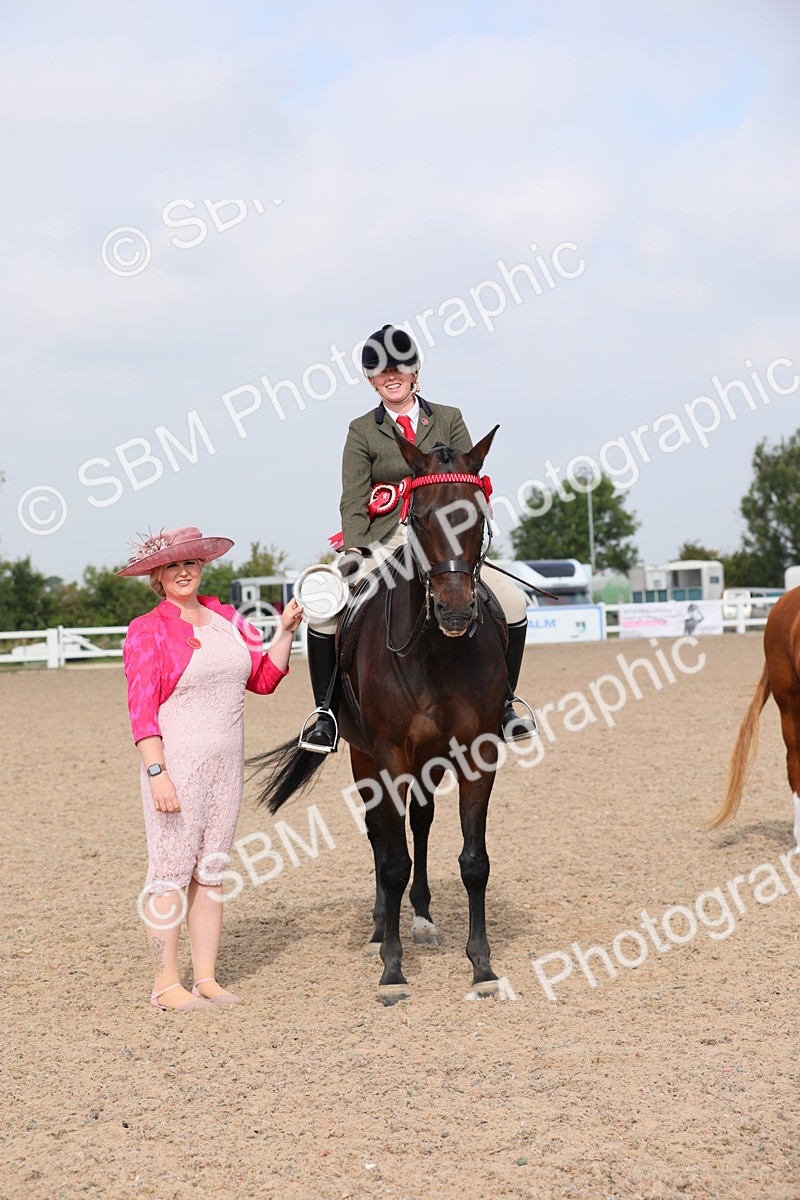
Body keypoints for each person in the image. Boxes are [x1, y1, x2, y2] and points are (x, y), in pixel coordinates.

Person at [301, 323, 536, 753]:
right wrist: (354, 548)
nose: (391, 377)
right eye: (380, 372)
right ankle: (326, 715)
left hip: (441, 541)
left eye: (399, 369)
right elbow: (353, 495)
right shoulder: (361, 430)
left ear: (414, 373)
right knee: (323, 613)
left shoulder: (448, 418)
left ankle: (505, 705)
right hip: (383, 540)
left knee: (515, 603)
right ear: (371, 381)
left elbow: (471, 478)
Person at [118, 526, 303, 1012]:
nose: (184, 572)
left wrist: (284, 631)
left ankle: (205, 978)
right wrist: (158, 773)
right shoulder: (147, 630)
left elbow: (263, 680)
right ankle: (165, 984)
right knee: (170, 871)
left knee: (212, 870)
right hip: (176, 766)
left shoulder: (227, 618)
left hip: (226, 768)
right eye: (173, 566)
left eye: (191, 563)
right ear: (157, 576)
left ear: (202, 568)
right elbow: (142, 711)